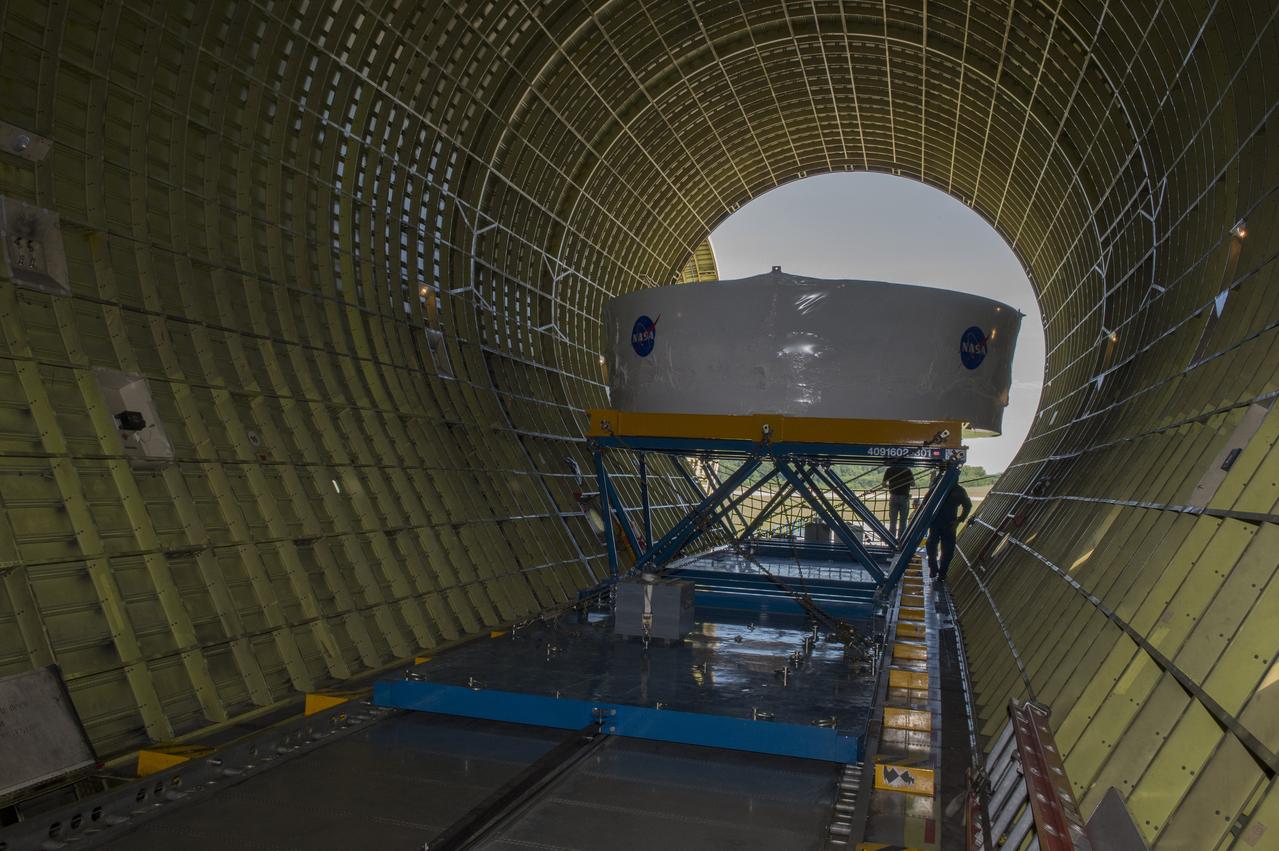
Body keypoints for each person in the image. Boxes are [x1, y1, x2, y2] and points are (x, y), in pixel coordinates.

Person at [926, 482, 972, 582]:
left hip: (942, 523)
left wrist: (959, 520)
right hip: (946, 523)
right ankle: (937, 570)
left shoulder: (938, 487)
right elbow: (968, 505)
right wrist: (959, 520)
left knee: (937, 547)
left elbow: (926, 502)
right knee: (938, 547)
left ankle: (938, 571)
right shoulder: (958, 490)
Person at [882, 460, 915, 538]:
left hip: (893, 496)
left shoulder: (889, 470)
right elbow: (913, 484)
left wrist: (891, 486)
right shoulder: (907, 470)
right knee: (903, 521)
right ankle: (901, 539)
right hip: (904, 497)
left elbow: (883, 484)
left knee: (893, 521)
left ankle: (891, 539)